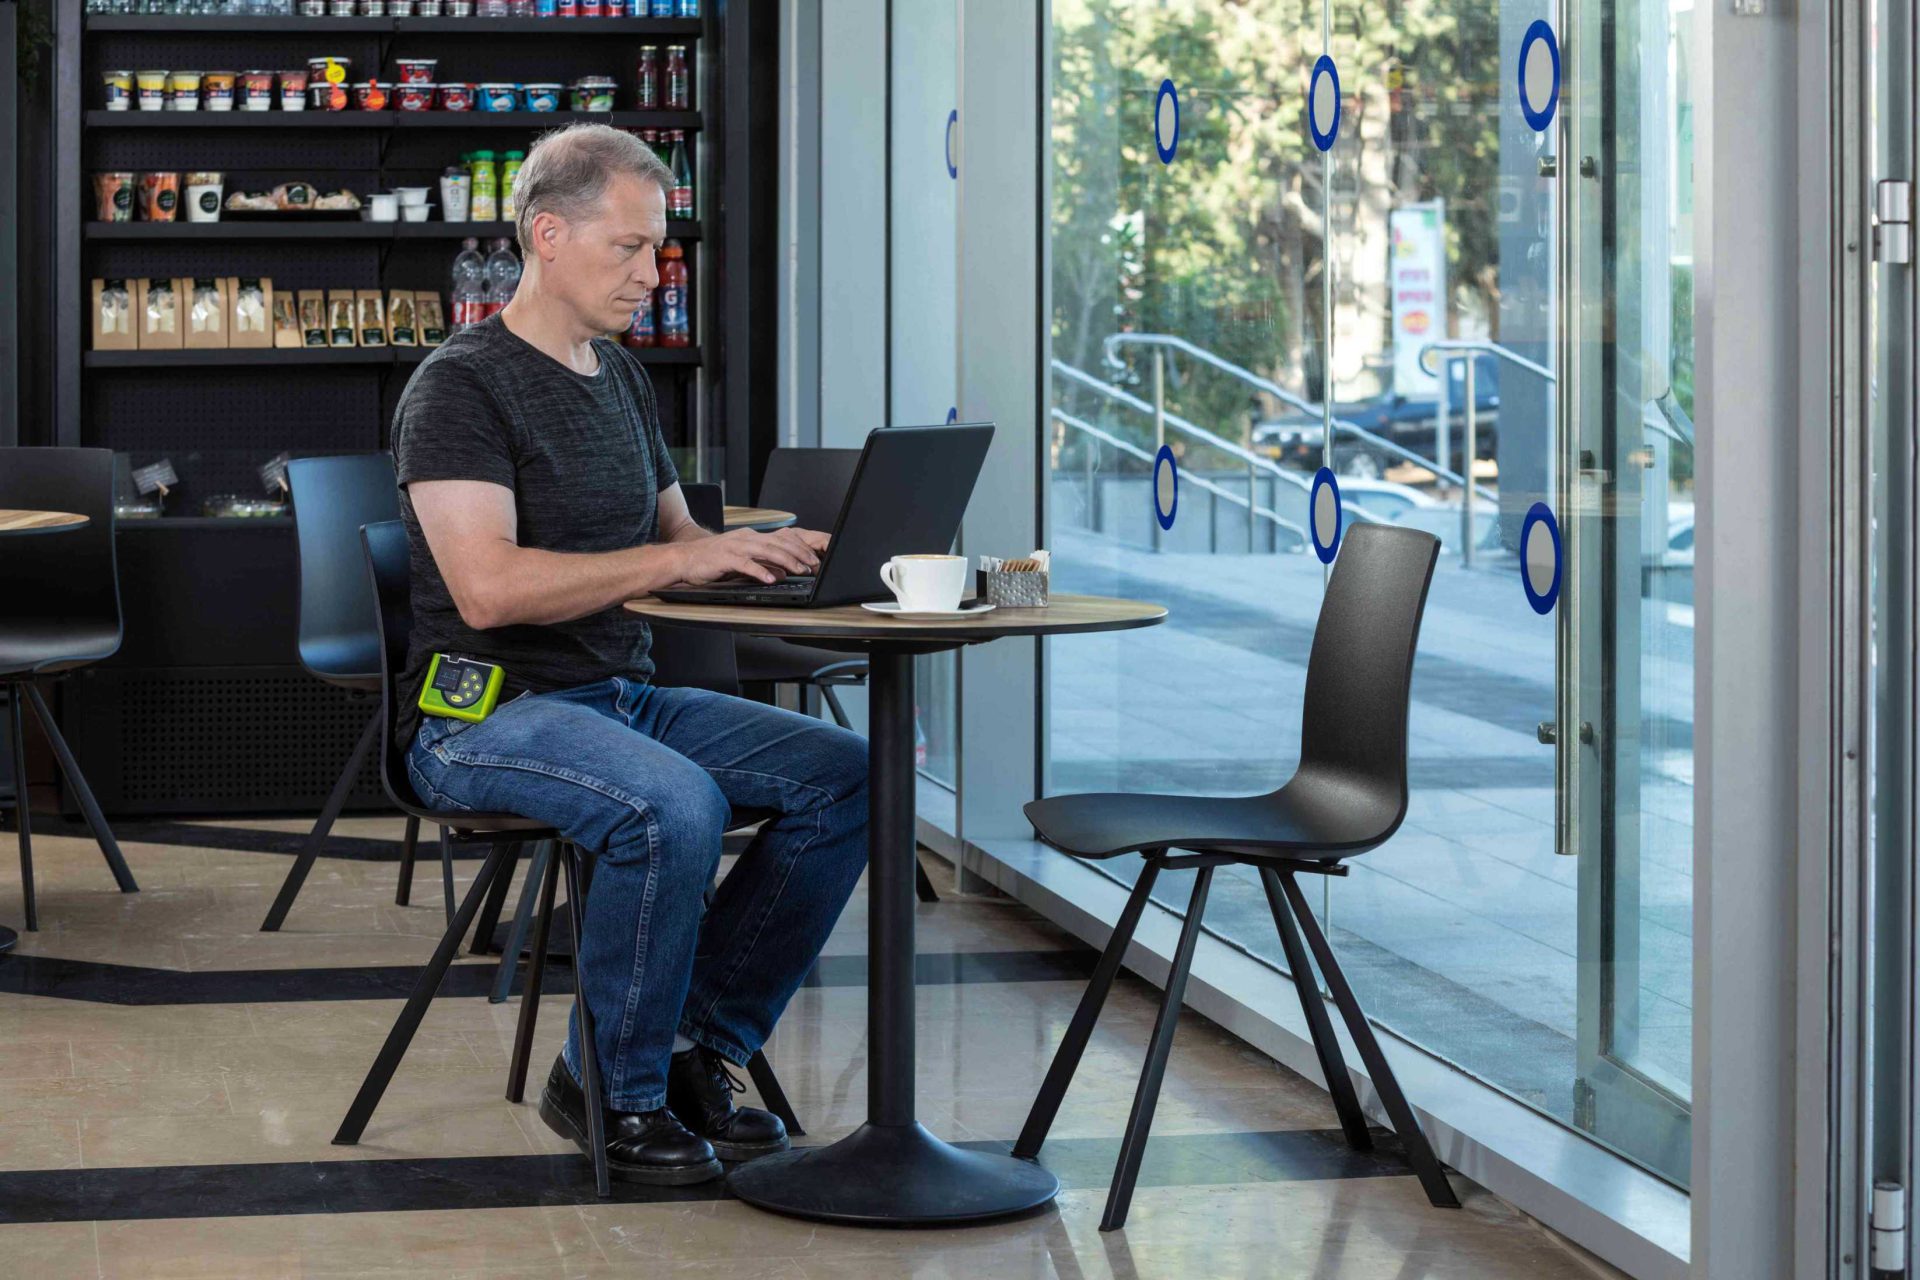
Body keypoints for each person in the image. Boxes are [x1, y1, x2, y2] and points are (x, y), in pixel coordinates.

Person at [391, 124, 869, 1186]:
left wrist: (763, 555)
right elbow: (489, 587)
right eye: (631, 247)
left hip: (617, 696)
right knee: (673, 804)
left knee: (850, 777)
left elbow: (676, 538)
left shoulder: (617, 375)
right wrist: (675, 557)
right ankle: (610, 1084)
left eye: (659, 249)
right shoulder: (460, 387)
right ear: (547, 234)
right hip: (481, 712)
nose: (653, 274)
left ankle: (698, 1042)